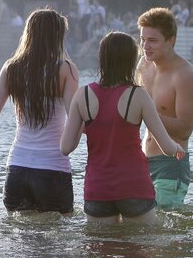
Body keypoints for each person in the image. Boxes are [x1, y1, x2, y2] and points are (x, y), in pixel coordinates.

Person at [0, 9, 81, 213]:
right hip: (52, 169)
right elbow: (75, 116)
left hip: (17, 169)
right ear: (57, 36)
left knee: (19, 238)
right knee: (57, 237)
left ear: (29, 34)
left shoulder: (12, 68)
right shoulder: (65, 69)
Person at [60, 32, 185, 224]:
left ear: (101, 59)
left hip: (97, 189)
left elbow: (65, 148)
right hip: (134, 187)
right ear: (130, 61)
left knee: (100, 251)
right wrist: (177, 148)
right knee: (140, 248)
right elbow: (167, 148)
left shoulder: (82, 95)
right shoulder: (139, 95)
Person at [135, 7, 193, 208]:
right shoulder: (143, 65)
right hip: (142, 161)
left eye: (152, 41)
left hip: (171, 165)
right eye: (143, 39)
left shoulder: (185, 76)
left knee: (163, 233)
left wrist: (146, 112)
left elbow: (184, 129)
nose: (145, 46)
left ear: (170, 41)